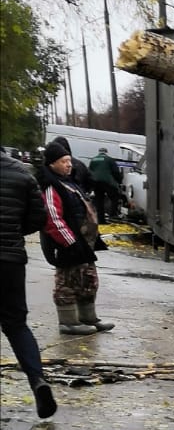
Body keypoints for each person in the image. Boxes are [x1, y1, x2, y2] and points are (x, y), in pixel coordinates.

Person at [0, 151, 58, 418]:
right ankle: (38, 381)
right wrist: (12, 231)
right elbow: (38, 218)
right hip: (11, 261)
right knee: (16, 325)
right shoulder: (23, 173)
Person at [38, 143, 114, 336]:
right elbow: (53, 219)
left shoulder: (70, 182)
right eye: (64, 161)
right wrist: (70, 242)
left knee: (88, 280)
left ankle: (89, 317)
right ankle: (68, 321)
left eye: (69, 161)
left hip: (83, 243)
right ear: (52, 164)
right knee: (67, 283)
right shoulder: (51, 187)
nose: (68, 165)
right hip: (68, 245)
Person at [88, 147, 123, 221]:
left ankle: (101, 219)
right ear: (106, 152)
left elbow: (89, 172)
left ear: (99, 152)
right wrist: (119, 182)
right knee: (115, 197)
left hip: (96, 182)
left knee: (99, 200)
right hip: (107, 181)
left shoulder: (93, 159)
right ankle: (113, 216)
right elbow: (116, 172)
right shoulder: (109, 159)